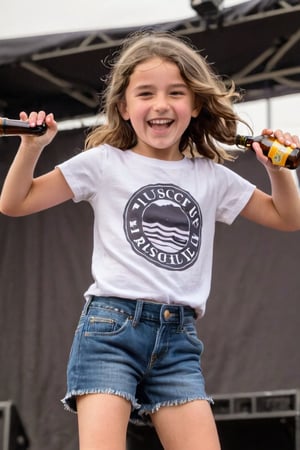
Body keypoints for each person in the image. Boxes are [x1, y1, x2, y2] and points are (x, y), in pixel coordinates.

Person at [0, 30, 300, 450]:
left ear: (195, 105)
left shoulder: (210, 176)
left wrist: (277, 168)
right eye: (145, 93)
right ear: (123, 107)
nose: (160, 104)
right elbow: (16, 202)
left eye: (176, 92)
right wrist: (31, 147)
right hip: (110, 331)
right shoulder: (104, 163)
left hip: (178, 340)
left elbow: (288, 217)